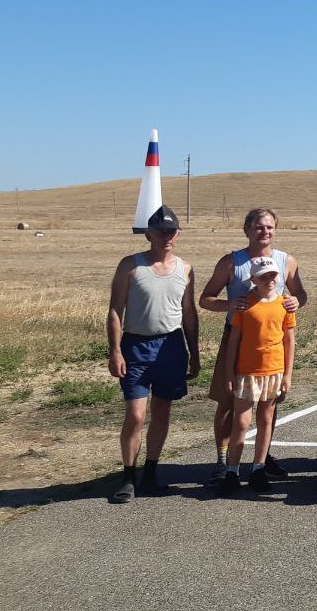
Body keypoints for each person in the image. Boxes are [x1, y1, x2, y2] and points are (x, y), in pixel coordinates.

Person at [199, 207, 308, 483]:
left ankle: (261, 459)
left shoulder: (286, 261)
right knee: (229, 401)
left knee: (269, 403)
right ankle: (223, 460)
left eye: (270, 227)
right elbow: (205, 299)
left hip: (272, 341)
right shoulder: (231, 262)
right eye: (259, 227)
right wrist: (229, 304)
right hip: (237, 338)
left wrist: (297, 301)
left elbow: (300, 295)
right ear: (246, 230)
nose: (265, 232)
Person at [104, 205, 199, 504]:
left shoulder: (185, 269)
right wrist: (115, 350)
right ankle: (128, 477)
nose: (166, 237)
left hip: (171, 346)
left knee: (162, 411)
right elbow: (115, 310)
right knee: (135, 415)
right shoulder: (130, 266)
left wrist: (194, 353)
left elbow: (189, 313)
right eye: (160, 232)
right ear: (148, 234)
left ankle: (151, 472)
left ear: (178, 235)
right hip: (135, 347)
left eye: (171, 232)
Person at [217, 256, 295, 496]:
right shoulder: (245, 304)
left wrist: (288, 374)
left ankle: (258, 469)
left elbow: (289, 340)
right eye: (263, 276)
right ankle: (232, 471)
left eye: (273, 275)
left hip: (274, 371)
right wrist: (230, 373)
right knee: (241, 422)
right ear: (253, 279)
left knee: (265, 420)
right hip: (247, 372)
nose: (269, 280)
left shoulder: (284, 304)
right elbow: (234, 340)